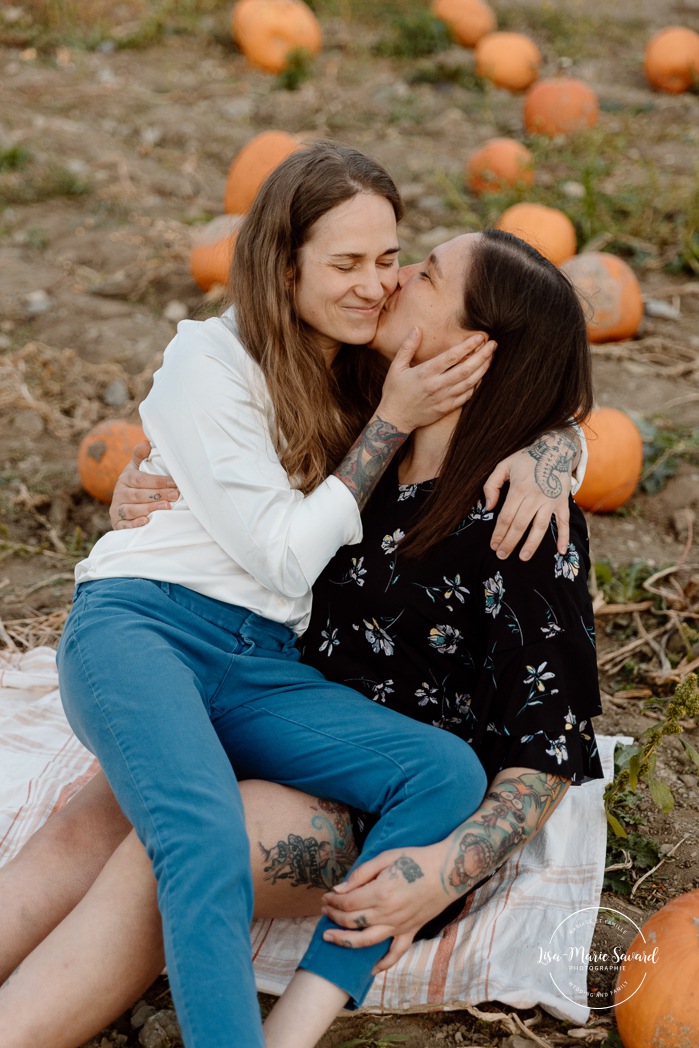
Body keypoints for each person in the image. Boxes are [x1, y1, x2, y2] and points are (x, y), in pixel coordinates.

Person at [0, 225, 602, 1048]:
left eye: (422, 275)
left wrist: (439, 872)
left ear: (473, 351)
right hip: (267, 709)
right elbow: (231, 438)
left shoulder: (520, 518)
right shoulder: (363, 424)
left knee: (165, 855)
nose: (389, 282)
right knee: (89, 818)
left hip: (381, 800)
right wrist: (149, 482)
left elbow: (548, 746)